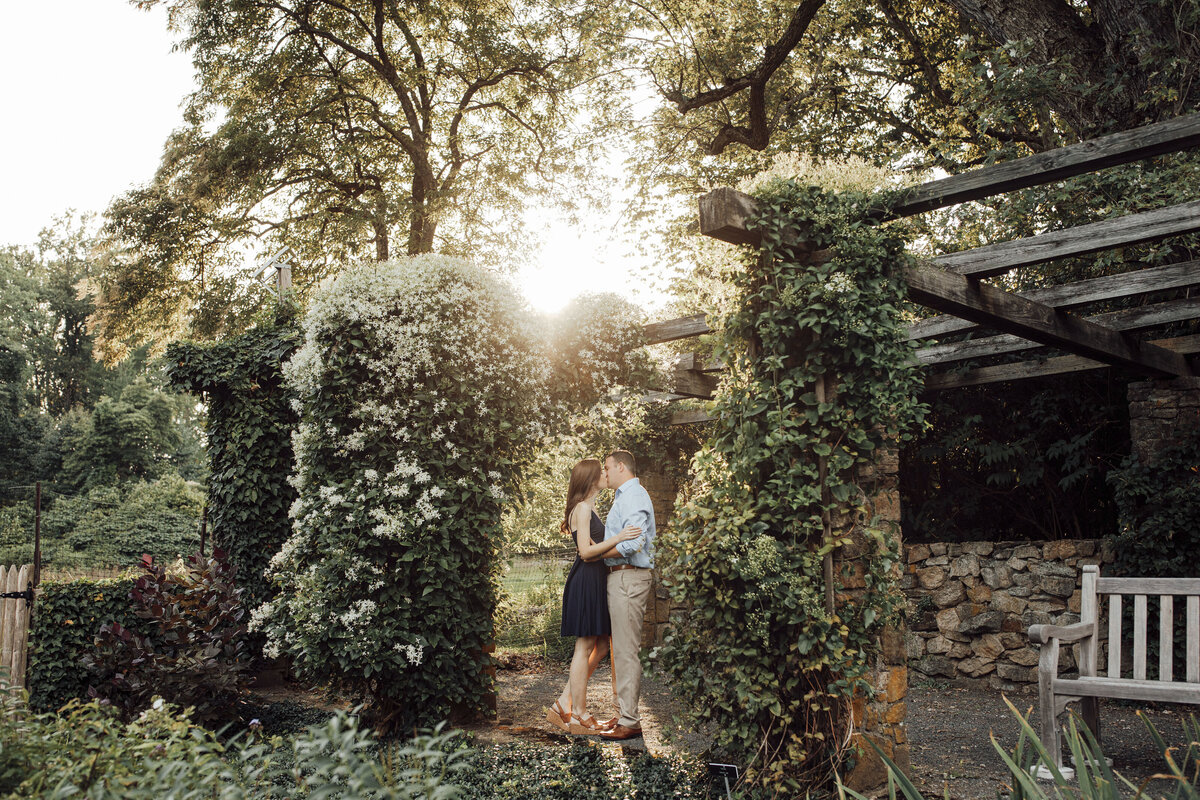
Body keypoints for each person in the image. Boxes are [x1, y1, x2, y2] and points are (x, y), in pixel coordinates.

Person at [547, 458, 642, 734]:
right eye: (600, 471)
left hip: (595, 580)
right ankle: (578, 714)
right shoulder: (584, 508)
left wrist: (604, 543)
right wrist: (620, 537)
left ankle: (565, 703)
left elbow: (592, 546)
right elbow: (586, 553)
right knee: (584, 647)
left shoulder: (587, 508)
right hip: (587, 581)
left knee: (600, 647)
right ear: (590, 479)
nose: (604, 473)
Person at [599, 449, 656, 741]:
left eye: (607, 468)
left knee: (626, 650)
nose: (604, 473)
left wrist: (595, 554)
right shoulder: (624, 497)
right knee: (620, 649)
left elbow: (634, 542)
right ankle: (624, 713)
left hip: (628, 576)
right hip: (621, 576)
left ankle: (630, 721)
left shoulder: (633, 495)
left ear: (621, 467)